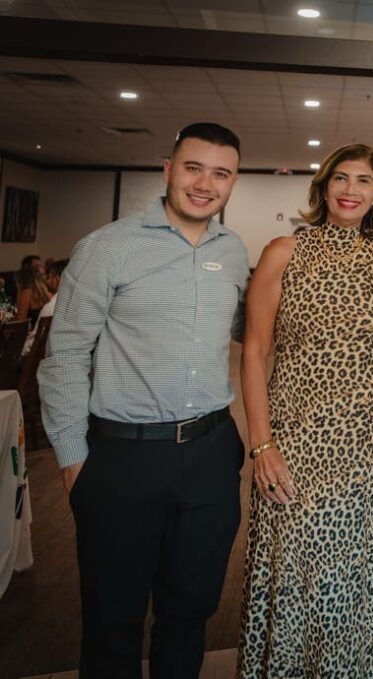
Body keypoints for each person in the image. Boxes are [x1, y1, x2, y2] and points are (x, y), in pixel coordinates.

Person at [38, 122, 249, 678]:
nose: (205, 184)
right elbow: (64, 357)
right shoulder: (107, 248)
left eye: (220, 173)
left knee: (191, 609)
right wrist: (72, 461)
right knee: (113, 619)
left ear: (232, 182)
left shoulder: (233, 252)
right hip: (122, 458)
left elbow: (246, 331)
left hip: (210, 452)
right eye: (193, 168)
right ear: (168, 170)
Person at [237, 143, 373, 677]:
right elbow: (254, 352)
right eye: (341, 178)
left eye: (363, 181)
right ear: (323, 188)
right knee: (305, 571)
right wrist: (262, 446)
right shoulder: (284, 251)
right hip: (302, 445)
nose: (351, 190)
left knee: (369, 572)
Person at [21, 258, 68, 357]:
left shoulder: (52, 306)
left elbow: (30, 346)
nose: (47, 279)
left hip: (44, 361)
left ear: (57, 279)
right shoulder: (84, 304)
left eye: (49, 276)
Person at [14, 254, 51, 324]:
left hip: (32, 329)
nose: (41, 269)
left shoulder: (26, 292)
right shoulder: (45, 290)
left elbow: (20, 321)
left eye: (40, 266)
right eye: (37, 266)